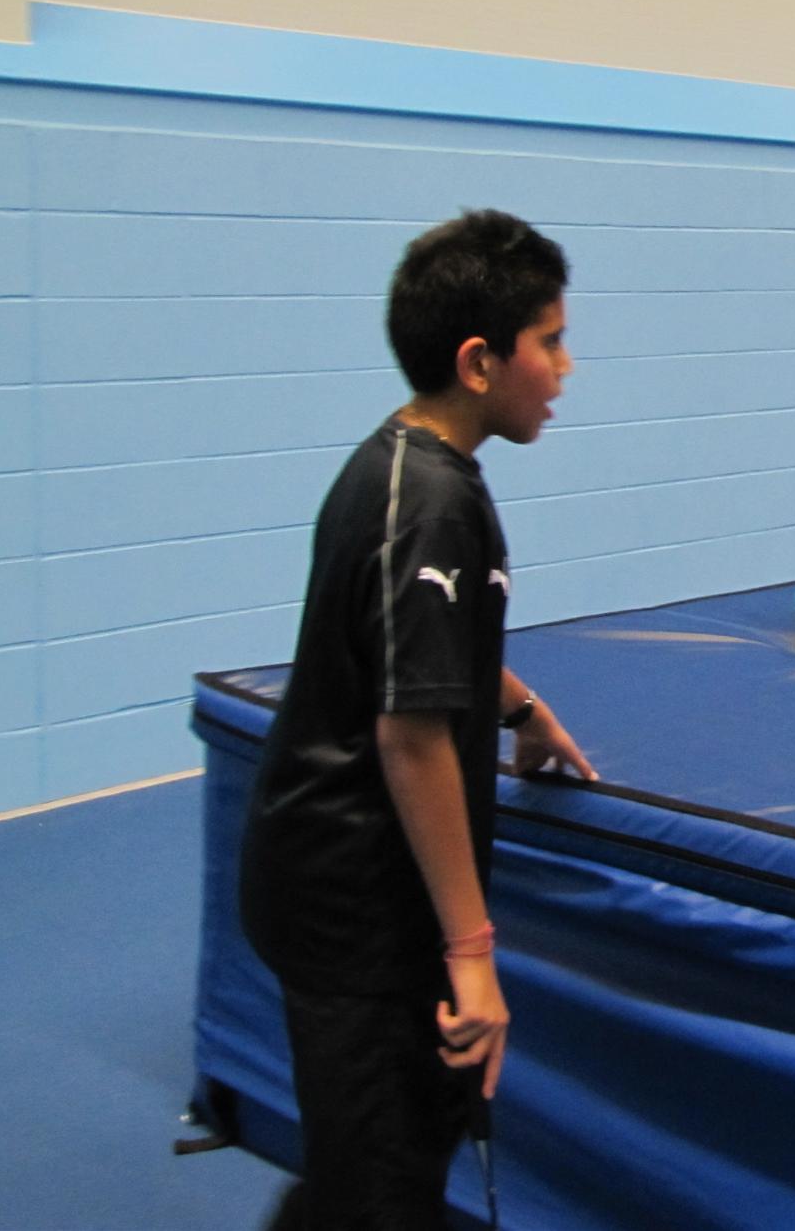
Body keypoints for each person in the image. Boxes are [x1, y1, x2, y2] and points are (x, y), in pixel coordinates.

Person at [240, 210, 598, 1229]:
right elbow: (409, 734)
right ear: (480, 360)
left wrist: (521, 707)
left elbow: (428, 648)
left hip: (346, 891)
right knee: (380, 1176)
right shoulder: (428, 500)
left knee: (385, 1153)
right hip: (348, 900)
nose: (566, 369)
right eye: (551, 341)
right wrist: (471, 953)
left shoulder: (413, 468)